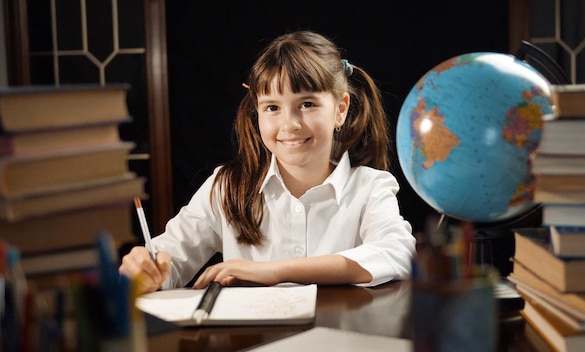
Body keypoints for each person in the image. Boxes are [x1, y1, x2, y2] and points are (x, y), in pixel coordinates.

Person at [119, 30, 416, 294]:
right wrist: (144, 270)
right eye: (272, 107)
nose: (290, 124)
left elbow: (397, 254)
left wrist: (275, 272)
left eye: (307, 104)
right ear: (256, 111)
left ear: (340, 110)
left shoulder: (369, 187)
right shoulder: (226, 188)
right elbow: (170, 260)